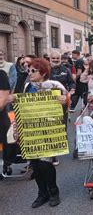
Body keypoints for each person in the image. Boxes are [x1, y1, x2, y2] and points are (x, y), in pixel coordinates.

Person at [11, 58, 67, 208]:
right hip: (31, 129)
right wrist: (17, 123)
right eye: (28, 70)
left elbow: (66, 104)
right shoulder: (28, 86)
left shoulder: (55, 86)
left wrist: (64, 100)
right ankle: (42, 193)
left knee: (45, 164)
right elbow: (22, 105)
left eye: (33, 71)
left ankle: (53, 191)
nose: (29, 73)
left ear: (43, 72)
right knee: (35, 164)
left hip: (48, 128)